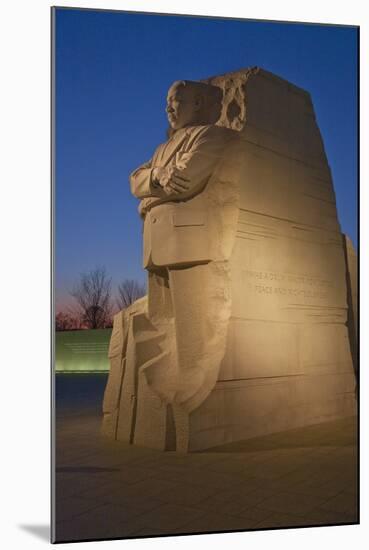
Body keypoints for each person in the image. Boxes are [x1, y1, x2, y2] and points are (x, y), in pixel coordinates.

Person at [127, 80, 238, 451]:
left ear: (200, 103)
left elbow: (186, 180)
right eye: (167, 103)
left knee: (192, 330)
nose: (169, 109)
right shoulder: (161, 148)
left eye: (177, 101)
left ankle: (192, 390)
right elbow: (135, 180)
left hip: (189, 242)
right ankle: (164, 388)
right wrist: (155, 182)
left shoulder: (213, 135)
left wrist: (149, 197)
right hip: (157, 244)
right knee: (162, 324)